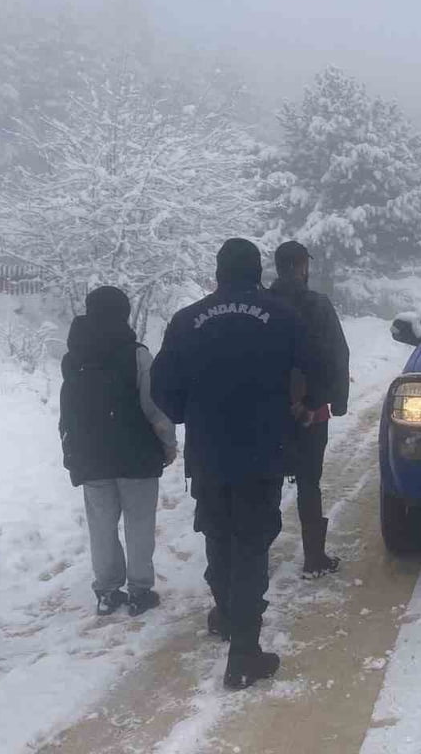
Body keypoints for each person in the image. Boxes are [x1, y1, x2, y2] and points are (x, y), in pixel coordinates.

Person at [151, 238, 321, 689]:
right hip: (262, 450)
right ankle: (244, 650)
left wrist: (191, 412)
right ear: (258, 272)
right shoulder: (284, 317)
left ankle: (226, 613)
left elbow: (162, 386)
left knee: (218, 532)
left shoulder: (187, 321)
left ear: (218, 273)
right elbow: (316, 371)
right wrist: (304, 407)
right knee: (250, 544)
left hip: (208, 451)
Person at [59, 286, 177, 617]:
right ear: (124, 314)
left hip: (91, 456)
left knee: (101, 526)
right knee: (139, 523)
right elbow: (154, 407)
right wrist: (168, 444)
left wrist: (69, 448)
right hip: (136, 454)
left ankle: (108, 591)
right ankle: (140, 591)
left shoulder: (73, 358)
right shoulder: (137, 354)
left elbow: (67, 409)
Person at [269, 240, 351, 579]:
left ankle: (257, 552)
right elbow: (338, 353)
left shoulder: (264, 304)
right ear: (302, 266)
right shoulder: (317, 305)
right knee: (309, 482)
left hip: (270, 411)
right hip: (312, 411)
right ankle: (314, 557)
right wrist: (338, 400)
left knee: (268, 481)